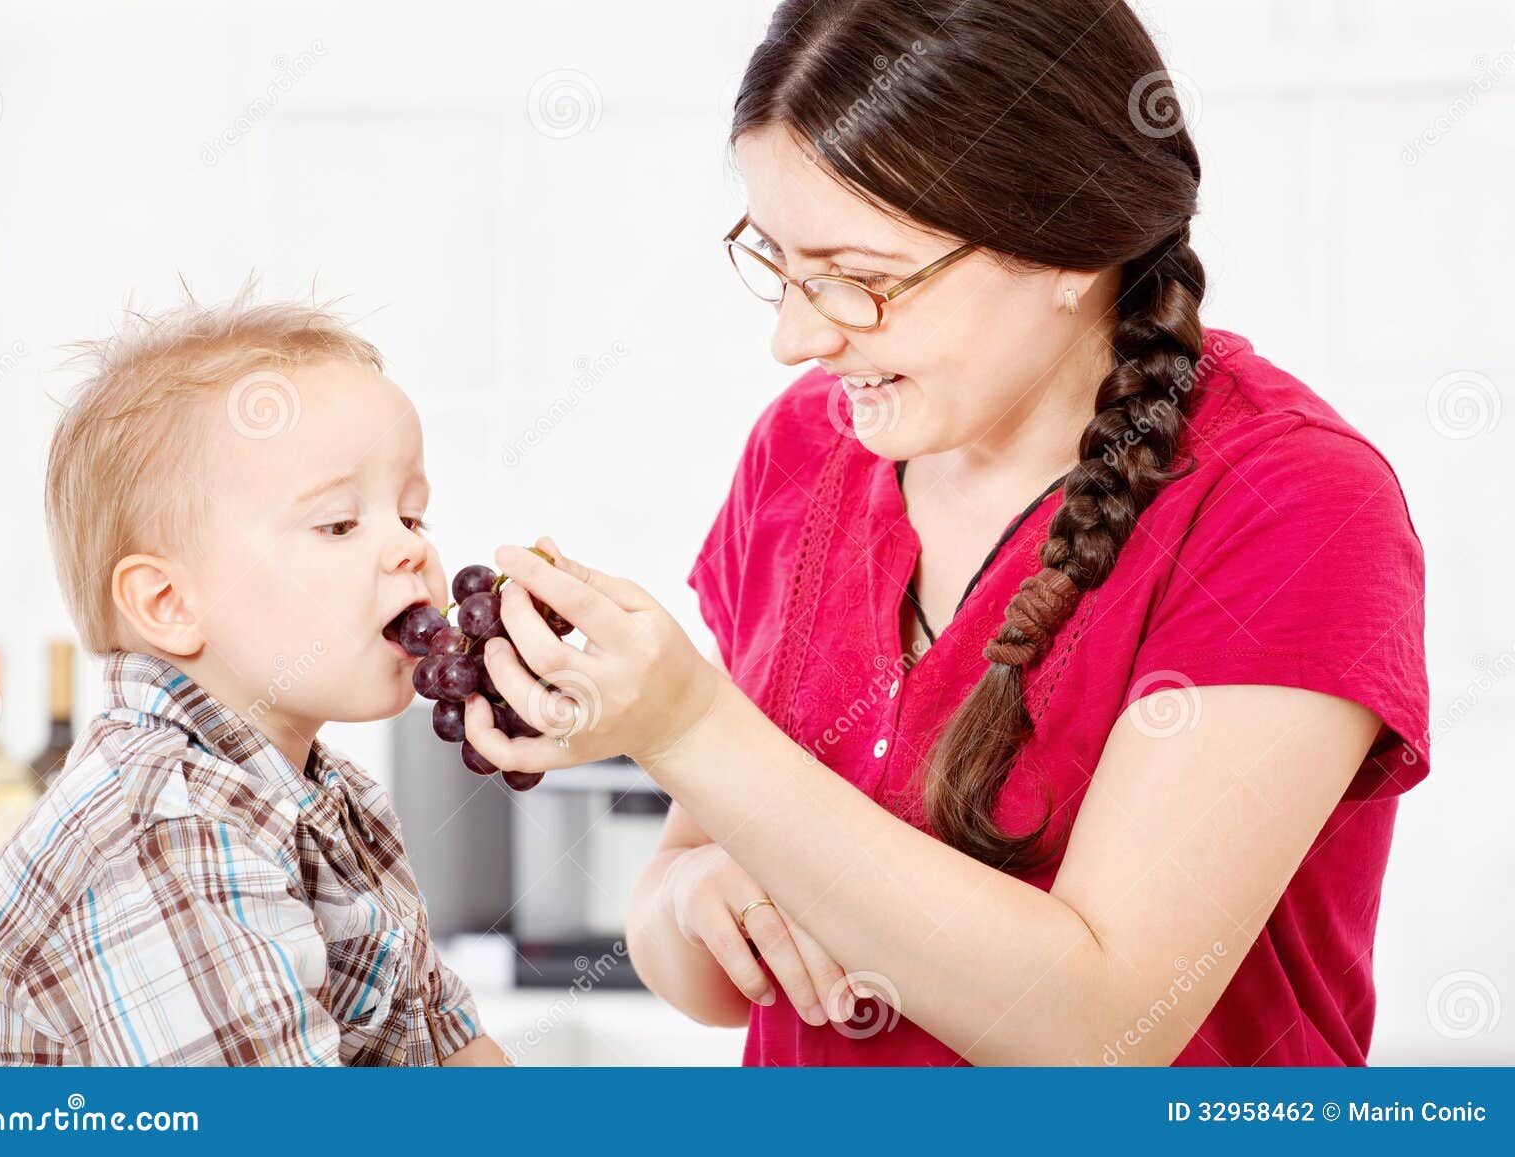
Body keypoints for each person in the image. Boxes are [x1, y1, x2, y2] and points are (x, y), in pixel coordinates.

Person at [463, 0, 1430, 1065]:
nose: (795, 337)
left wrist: (688, 727)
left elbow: (1101, 1030)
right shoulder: (803, 448)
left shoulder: (1292, 505)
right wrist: (696, 893)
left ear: (1070, 244)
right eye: (779, 263)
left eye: (862, 279)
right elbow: (693, 963)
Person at [0, 291, 504, 1066]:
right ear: (168, 603)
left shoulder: (338, 804)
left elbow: (451, 1053)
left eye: (412, 516)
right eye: (339, 523)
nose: (410, 549)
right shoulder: (161, 831)